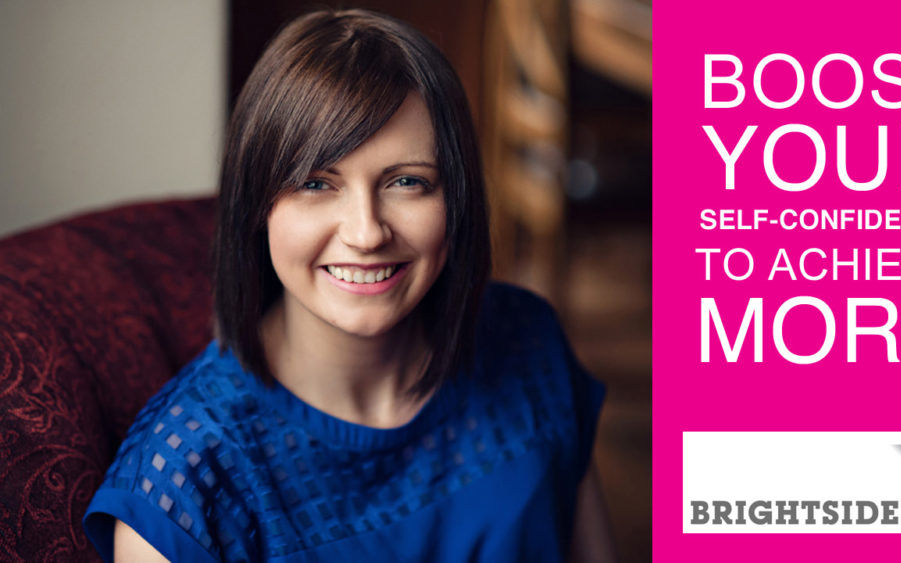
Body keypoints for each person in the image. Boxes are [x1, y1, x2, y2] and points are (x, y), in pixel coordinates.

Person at [83, 8, 614, 562]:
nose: (366, 232)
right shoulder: (183, 485)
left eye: (408, 182)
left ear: (455, 199)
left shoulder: (529, 341)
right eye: (316, 183)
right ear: (257, 206)